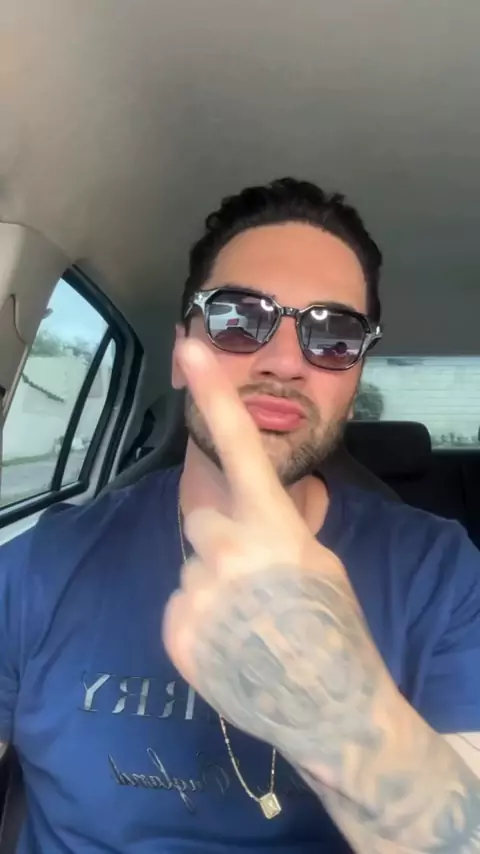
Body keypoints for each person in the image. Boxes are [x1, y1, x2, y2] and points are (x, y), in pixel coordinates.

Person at [0, 178, 479, 853]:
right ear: (180, 353)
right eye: (238, 317)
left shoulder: (441, 574)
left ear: (355, 380)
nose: (285, 361)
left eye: (334, 334)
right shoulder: (40, 565)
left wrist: (342, 713)